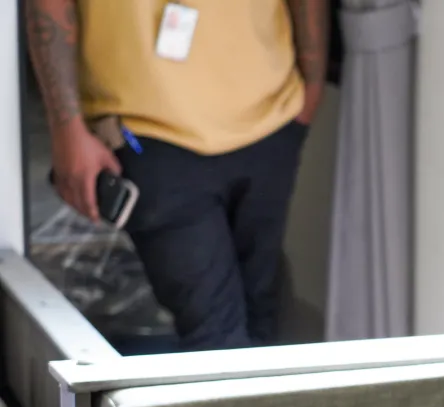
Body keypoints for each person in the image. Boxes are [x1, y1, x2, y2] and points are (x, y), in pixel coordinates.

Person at [26, 0, 329, 351]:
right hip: (148, 132)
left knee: (262, 317)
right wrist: (67, 129)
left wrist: (312, 85)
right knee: (216, 338)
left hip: (272, 114)